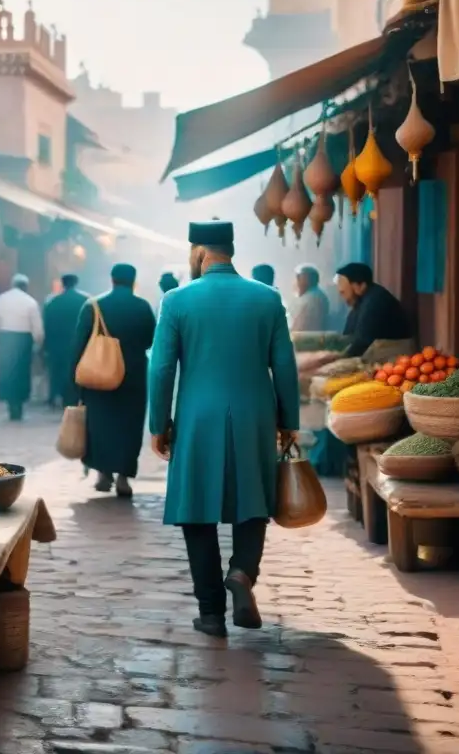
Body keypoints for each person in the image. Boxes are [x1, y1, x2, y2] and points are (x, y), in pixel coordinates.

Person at [149, 220, 300, 638]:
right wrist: (289, 421)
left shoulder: (176, 300)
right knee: (253, 501)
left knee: (196, 512)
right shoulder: (267, 299)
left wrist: (158, 424)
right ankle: (242, 572)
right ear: (230, 250)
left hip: (198, 418)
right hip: (255, 416)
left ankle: (211, 613)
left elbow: (160, 368)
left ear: (198, 252)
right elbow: (284, 365)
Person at [73, 263, 156, 497]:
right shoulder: (142, 307)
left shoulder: (93, 306)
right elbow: (151, 340)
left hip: (98, 376)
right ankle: (123, 477)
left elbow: (79, 344)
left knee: (100, 424)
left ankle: (103, 473)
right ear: (133, 280)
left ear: (112, 279)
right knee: (129, 426)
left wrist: (75, 382)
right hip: (133, 376)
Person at [0, 274, 43, 421]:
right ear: (25, 286)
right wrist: (38, 342)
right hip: (23, 340)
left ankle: (10, 404)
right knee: (22, 373)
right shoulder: (31, 302)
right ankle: (19, 405)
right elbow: (37, 328)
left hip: (5, 338)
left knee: (7, 373)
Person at [335, 262, 411, 358]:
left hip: (395, 359)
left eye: (343, 292)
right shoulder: (361, 302)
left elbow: (362, 342)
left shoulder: (375, 301)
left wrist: (338, 358)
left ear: (361, 286)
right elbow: (348, 335)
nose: (343, 298)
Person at [43, 273, 89, 408]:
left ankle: (59, 397)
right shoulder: (85, 301)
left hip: (57, 344)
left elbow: (47, 325)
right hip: (79, 343)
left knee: (58, 371)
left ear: (63, 284)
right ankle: (75, 397)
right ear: (76, 283)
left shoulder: (52, 302)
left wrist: (46, 345)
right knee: (76, 371)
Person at [290, 263, 330, 332]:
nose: (297, 282)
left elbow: (300, 325)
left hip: (306, 338)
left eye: (299, 277)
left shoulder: (311, 298)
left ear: (307, 278)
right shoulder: (317, 295)